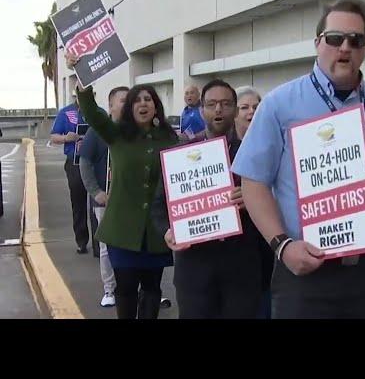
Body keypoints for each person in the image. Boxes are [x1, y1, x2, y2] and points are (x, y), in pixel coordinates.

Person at [232, 0, 365, 319]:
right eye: (335, 38)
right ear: (317, 43)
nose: (345, 47)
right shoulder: (279, 105)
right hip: (302, 271)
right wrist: (282, 246)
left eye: (357, 40)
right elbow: (254, 181)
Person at [67, 50, 178, 320]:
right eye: (136, 100)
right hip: (122, 230)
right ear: (129, 107)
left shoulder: (169, 137)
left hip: (156, 231)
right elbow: (92, 113)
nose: (143, 103)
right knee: (126, 289)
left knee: (152, 288)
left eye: (148, 99)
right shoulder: (116, 134)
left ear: (156, 106)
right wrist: (82, 75)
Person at [152, 79, 263, 318]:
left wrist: (253, 198)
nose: (219, 110)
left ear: (234, 109)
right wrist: (167, 231)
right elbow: (159, 206)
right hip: (194, 267)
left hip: (242, 269)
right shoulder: (180, 156)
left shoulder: (254, 153)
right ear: (201, 110)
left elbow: (276, 200)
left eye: (225, 104)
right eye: (212, 104)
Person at [79, 86, 129, 307]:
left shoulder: (137, 131)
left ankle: (136, 288)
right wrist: (96, 192)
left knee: (135, 245)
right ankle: (110, 289)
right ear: (110, 106)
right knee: (107, 248)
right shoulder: (97, 131)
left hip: (133, 202)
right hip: (105, 201)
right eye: (123, 101)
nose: (129, 105)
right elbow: (85, 162)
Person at [234, 85, 273, 319]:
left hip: (266, 243)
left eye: (256, 107)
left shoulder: (274, 143)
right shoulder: (220, 149)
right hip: (233, 249)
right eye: (244, 107)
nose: (251, 111)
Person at [50, 88, 90, 254]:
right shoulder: (65, 113)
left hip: (95, 163)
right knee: (78, 203)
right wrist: (67, 138)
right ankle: (81, 241)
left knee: (98, 205)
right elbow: (53, 137)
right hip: (74, 163)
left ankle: (99, 243)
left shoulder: (99, 112)